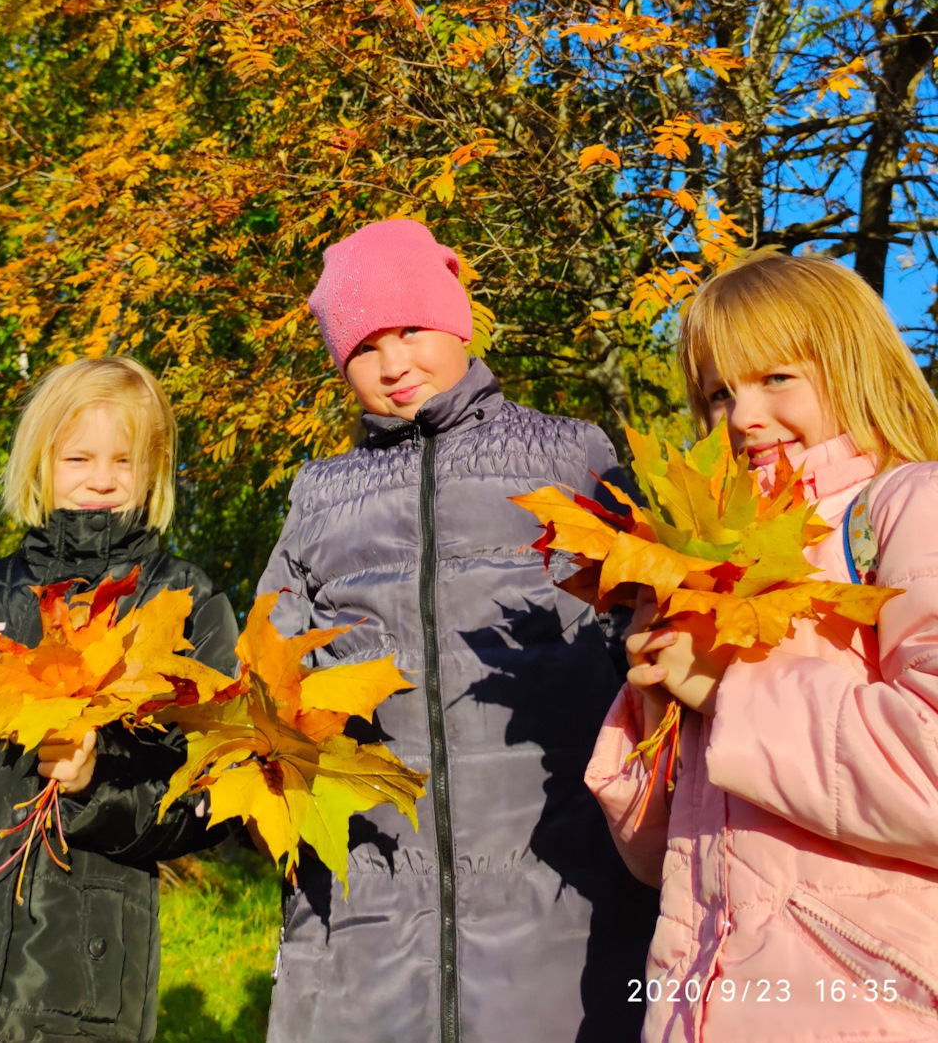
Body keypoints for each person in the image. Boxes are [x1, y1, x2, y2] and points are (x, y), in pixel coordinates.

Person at [258, 217, 657, 1043]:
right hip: (374, 890)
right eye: (364, 348)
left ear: (459, 322)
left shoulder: (571, 455)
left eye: (410, 330)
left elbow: (646, 625)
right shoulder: (319, 496)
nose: (394, 364)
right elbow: (271, 664)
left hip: (559, 879)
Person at [586, 250, 938, 1042]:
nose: (741, 417)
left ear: (854, 365)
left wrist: (727, 691)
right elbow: (657, 860)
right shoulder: (712, 564)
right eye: (718, 392)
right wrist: (655, 700)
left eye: (776, 378)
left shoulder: (910, 508)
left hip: (870, 1006)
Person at [0, 356, 238, 1043]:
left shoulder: (181, 603)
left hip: (80, 970)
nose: (100, 480)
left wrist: (96, 782)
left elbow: (209, 800)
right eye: (79, 458)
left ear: (152, 471)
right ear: (40, 462)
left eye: (123, 461)